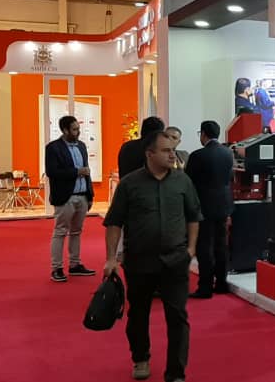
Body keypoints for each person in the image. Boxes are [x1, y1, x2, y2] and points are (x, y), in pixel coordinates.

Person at [103, 131, 202, 382]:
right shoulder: (129, 184)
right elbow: (114, 222)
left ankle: (176, 372)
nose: (172, 155)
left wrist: (191, 249)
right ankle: (140, 358)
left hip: (175, 260)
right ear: (150, 154)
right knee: (138, 314)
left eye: (173, 150)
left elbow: (193, 216)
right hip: (139, 262)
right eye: (166, 151)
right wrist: (111, 258)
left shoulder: (182, 181)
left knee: (178, 317)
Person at [185, 120, 234, 298]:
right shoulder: (228, 153)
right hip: (224, 204)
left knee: (204, 246)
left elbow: (188, 181)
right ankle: (221, 283)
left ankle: (205, 287)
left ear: (203, 134)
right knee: (221, 245)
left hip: (203, 206)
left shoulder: (198, 155)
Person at [44, 115, 96, 282]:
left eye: (78, 128)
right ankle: (57, 268)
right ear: (65, 130)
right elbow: (52, 172)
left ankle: (75, 264)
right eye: (74, 129)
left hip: (82, 196)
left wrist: (90, 195)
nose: (78, 132)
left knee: (76, 232)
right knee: (60, 232)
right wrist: (76, 172)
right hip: (65, 197)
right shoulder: (53, 148)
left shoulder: (81, 146)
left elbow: (87, 171)